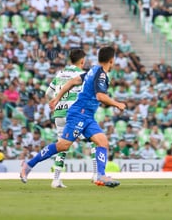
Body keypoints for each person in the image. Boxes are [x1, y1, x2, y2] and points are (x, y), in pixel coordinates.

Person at [20, 47, 126, 188]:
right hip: (79, 113)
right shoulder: (100, 74)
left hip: (87, 115)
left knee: (103, 142)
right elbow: (100, 96)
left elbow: (73, 81)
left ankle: (101, 175)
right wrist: (117, 104)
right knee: (62, 145)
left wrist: (57, 98)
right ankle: (28, 165)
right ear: (111, 61)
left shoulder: (93, 70)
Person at [45, 49, 97, 188]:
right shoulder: (82, 75)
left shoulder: (60, 73)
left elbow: (48, 93)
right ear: (82, 61)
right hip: (74, 112)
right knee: (94, 139)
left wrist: (54, 102)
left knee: (61, 146)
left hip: (59, 113)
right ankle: (96, 173)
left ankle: (56, 179)